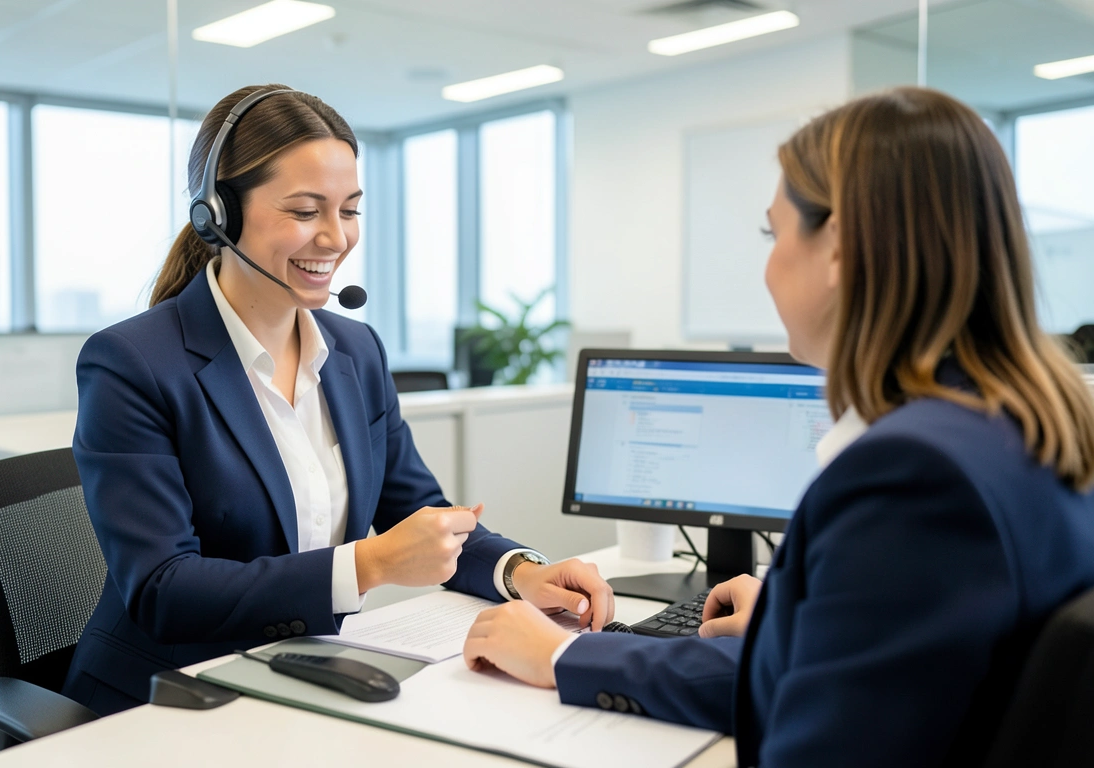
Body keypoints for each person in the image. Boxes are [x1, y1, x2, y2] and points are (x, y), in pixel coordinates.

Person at [461, 86, 1094, 767]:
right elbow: (862, 683)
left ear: (838, 248)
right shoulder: (1025, 427)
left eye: (774, 233)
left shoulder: (914, 477)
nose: (766, 265)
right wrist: (793, 616)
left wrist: (563, 651)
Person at [61, 84, 614, 716]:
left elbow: (420, 512)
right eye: (305, 211)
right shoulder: (133, 363)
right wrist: (367, 564)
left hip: (303, 681)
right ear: (218, 214)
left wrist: (519, 573)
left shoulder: (355, 351)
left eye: (349, 210)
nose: (335, 238)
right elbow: (163, 590)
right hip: (166, 700)